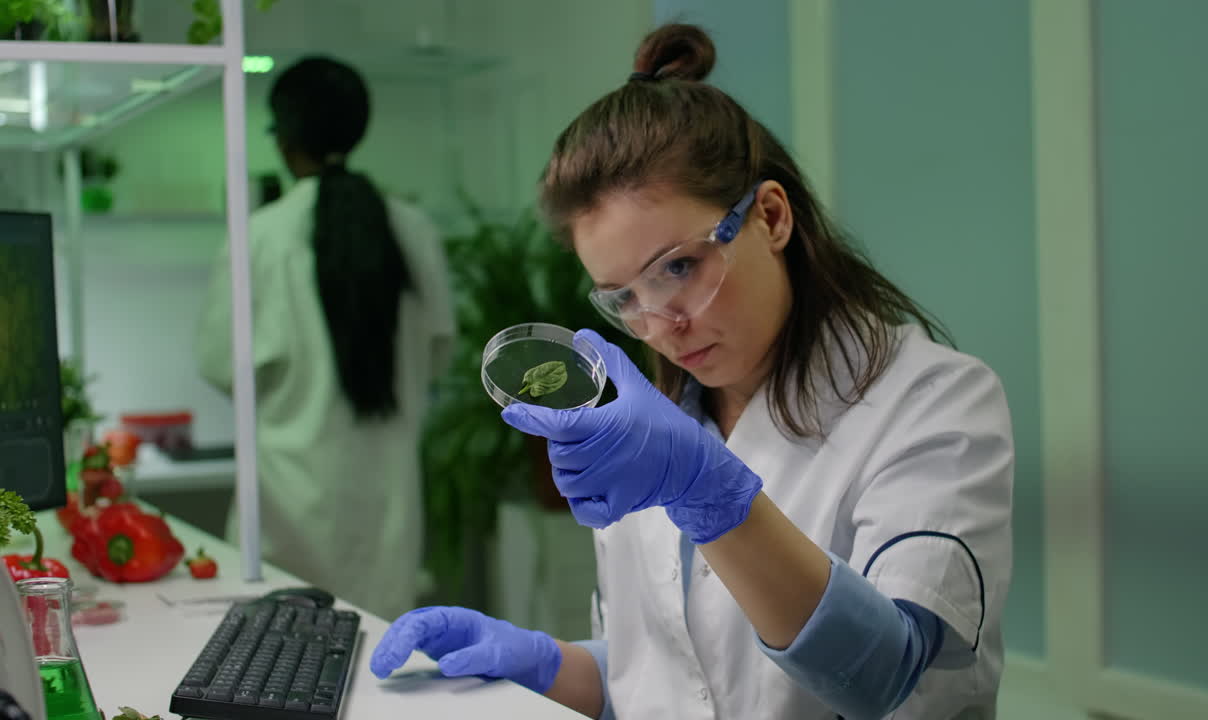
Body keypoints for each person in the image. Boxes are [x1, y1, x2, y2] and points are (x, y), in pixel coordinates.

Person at [368, 24, 1012, 720]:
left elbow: (883, 674)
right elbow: (672, 676)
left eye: (679, 267)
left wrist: (712, 495)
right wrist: (549, 664)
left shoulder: (933, 400)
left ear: (770, 216)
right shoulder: (655, 424)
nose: (660, 323)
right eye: (623, 298)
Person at [196, 57, 455, 621]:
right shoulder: (412, 229)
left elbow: (220, 365)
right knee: (378, 675)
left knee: (279, 680)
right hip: (386, 509)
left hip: (286, 513)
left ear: (285, 139)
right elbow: (437, 354)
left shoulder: (260, 237)